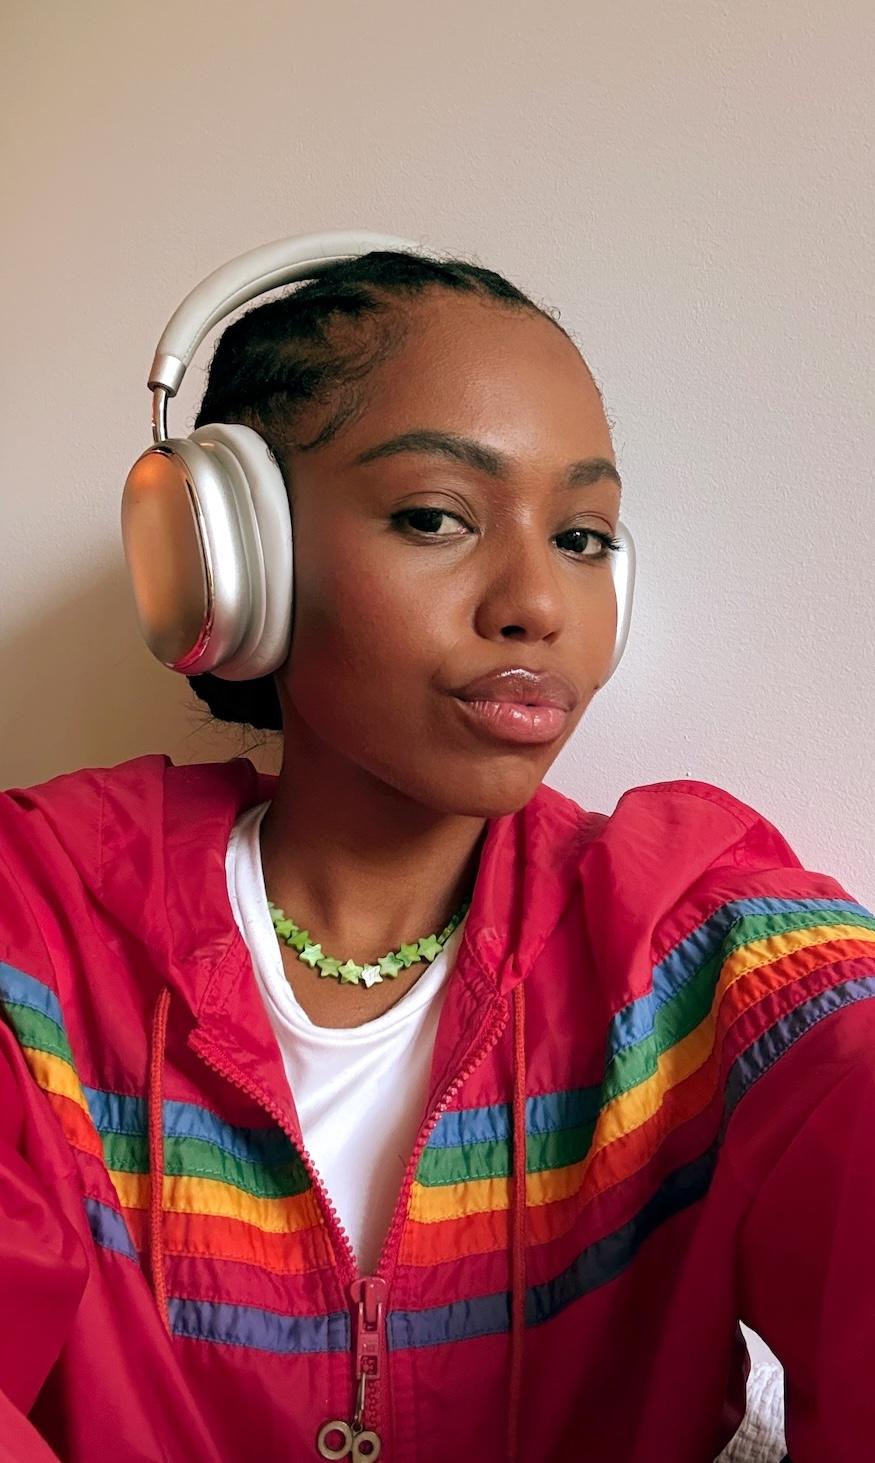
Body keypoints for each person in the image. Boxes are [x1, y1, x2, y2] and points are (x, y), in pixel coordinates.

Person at [1, 240, 873, 1463]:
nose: (538, 601)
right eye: (433, 516)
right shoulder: (35, 924)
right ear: (232, 559)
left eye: (581, 536)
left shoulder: (688, 935)